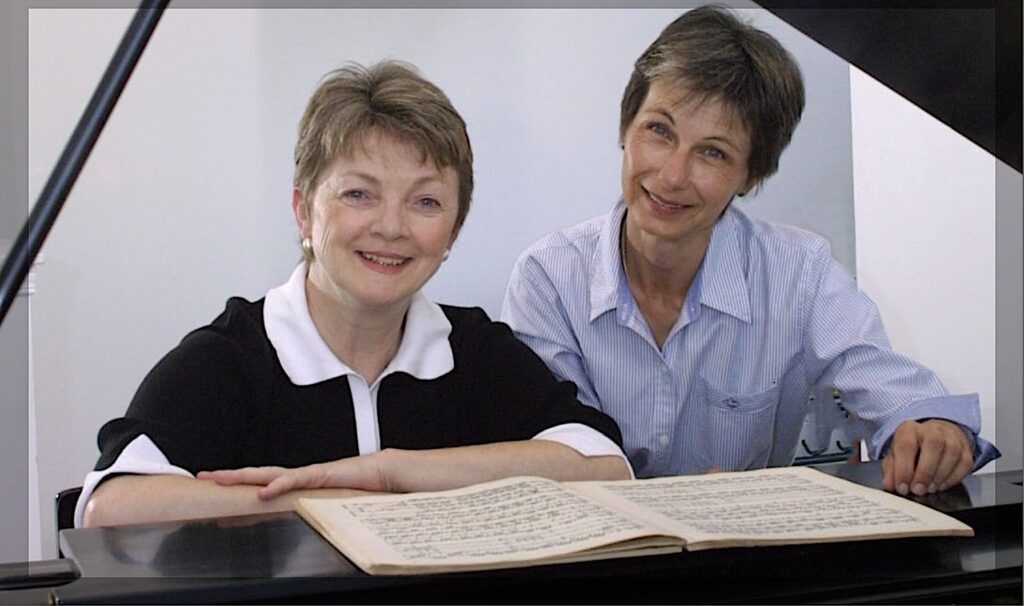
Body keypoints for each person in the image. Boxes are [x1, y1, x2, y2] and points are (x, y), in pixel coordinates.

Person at [78, 60, 631, 528]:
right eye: (359, 194)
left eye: (425, 202)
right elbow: (111, 506)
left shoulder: (474, 349)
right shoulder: (232, 357)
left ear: (454, 231)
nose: (391, 227)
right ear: (303, 211)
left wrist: (390, 473)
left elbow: (605, 465)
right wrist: (324, 502)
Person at [501, 6, 999, 497]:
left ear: (751, 176)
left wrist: (933, 430)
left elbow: (897, 392)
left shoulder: (798, 273)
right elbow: (559, 450)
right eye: (659, 131)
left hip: (745, 545)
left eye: (713, 152)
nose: (672, 176)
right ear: (625, 128)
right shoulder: (548, 278)